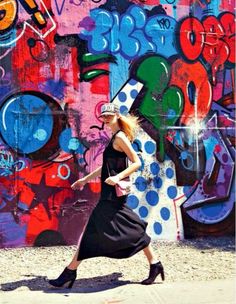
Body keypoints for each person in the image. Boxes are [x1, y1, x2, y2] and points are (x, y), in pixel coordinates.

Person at [48, 103, 164, 288]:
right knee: (131, 226)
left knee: (93, 231)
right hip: (110, 193)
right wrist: (85, 179)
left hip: (112, 195)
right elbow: (107, 167)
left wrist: (117, 177)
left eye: (110, 115)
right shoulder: (114, 138)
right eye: (104, 116)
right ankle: (155, 264)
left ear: (117, 115)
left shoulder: (119, 138)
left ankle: (70, 271)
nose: (106, 119)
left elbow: (136, 162)